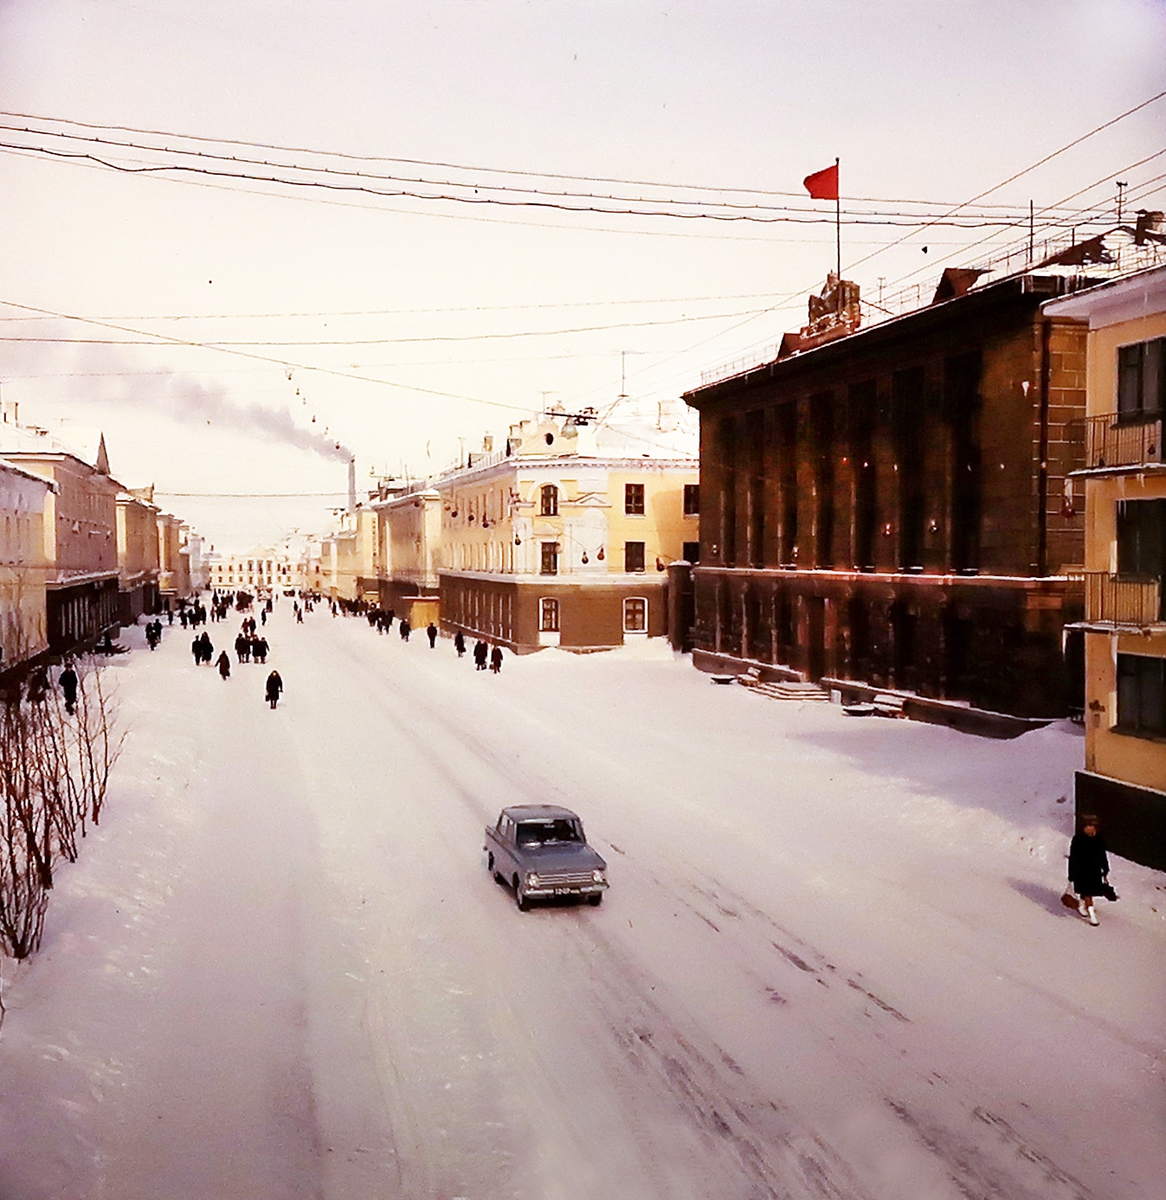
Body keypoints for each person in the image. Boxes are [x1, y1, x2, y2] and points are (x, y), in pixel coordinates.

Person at [1068, 816, 1111, 926]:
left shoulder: (1098, 839)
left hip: (1094, 870)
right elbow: (1073, 857)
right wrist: (1071, 874)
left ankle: (1082, 904)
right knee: (1088, 892)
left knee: (1089, 890)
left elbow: (1102, 854)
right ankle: (1091, 914)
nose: (1089, 828)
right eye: (1087, 826)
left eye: (1092, 826)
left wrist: (1105, 868)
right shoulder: (1078, 839)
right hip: (1081, 870)